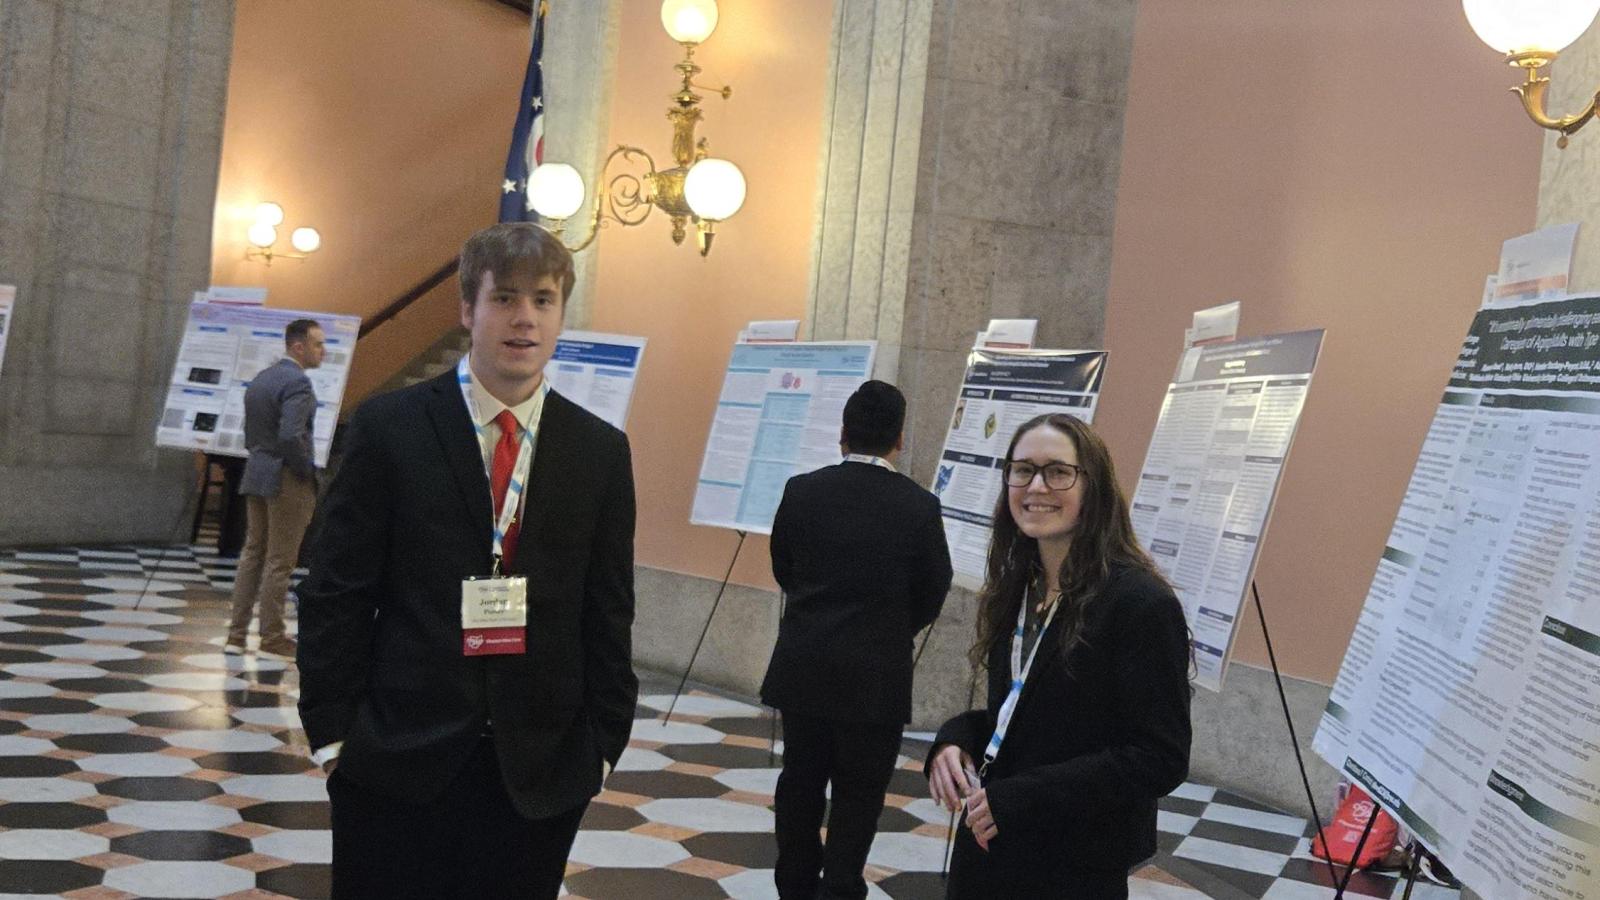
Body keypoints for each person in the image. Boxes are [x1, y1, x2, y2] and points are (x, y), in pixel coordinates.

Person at [296, 223, 638, 900]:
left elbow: (607, 609)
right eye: (504, 298)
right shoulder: (389, 427)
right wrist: (334, 736)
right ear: (466, 310)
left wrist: (601, 746)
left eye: (543, 300)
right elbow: (336, 590)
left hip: (538, 771)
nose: (524, 319)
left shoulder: (597, 449)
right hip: (396, 757)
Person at [925, 413, 1191, 899]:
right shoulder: (1020, 586)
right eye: (1022, 469)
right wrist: (953, 740)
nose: (1036, 486)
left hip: (1070, 863)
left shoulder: (1139, 603)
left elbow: (1158, 756)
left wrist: (1022, 797)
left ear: (1094, 486)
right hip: (991, 846)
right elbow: (1019, 714)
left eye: (1058, 472)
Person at [760, 380, 953, 900]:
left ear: (842, 434)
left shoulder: (801, 490)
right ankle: (841, 886)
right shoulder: (920, 506)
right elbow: (934, 588)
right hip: (877, 675)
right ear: (900, 440)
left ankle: (794, 884)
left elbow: (785, 568)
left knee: (799, 781)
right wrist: (891, 628)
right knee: (860, 792)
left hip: (804, 665)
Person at [225, 318, 324, 658]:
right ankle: (271, 638)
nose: (321, 351)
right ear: (298, 346)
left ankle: (236, 635)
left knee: (252, 554)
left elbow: (252, 431)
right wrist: (304, 471)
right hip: (285, 477)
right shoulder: (298, 383)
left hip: (256, 470)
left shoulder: (261, 379)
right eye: (317, 344)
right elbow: (290, 435)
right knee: (280, 560)